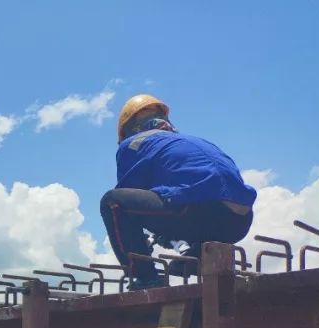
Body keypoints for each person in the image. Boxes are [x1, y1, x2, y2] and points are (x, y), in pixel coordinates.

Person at [100, 95, 256, 290]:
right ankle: (193, 260)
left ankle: (145, 277)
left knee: (113, 203)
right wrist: (166, 231)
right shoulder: (190, 140)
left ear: (130, 129)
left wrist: (147, 237)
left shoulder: (133, 143)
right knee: (187, 209)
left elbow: (131, 198)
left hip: (199, 210)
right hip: (239, 221)